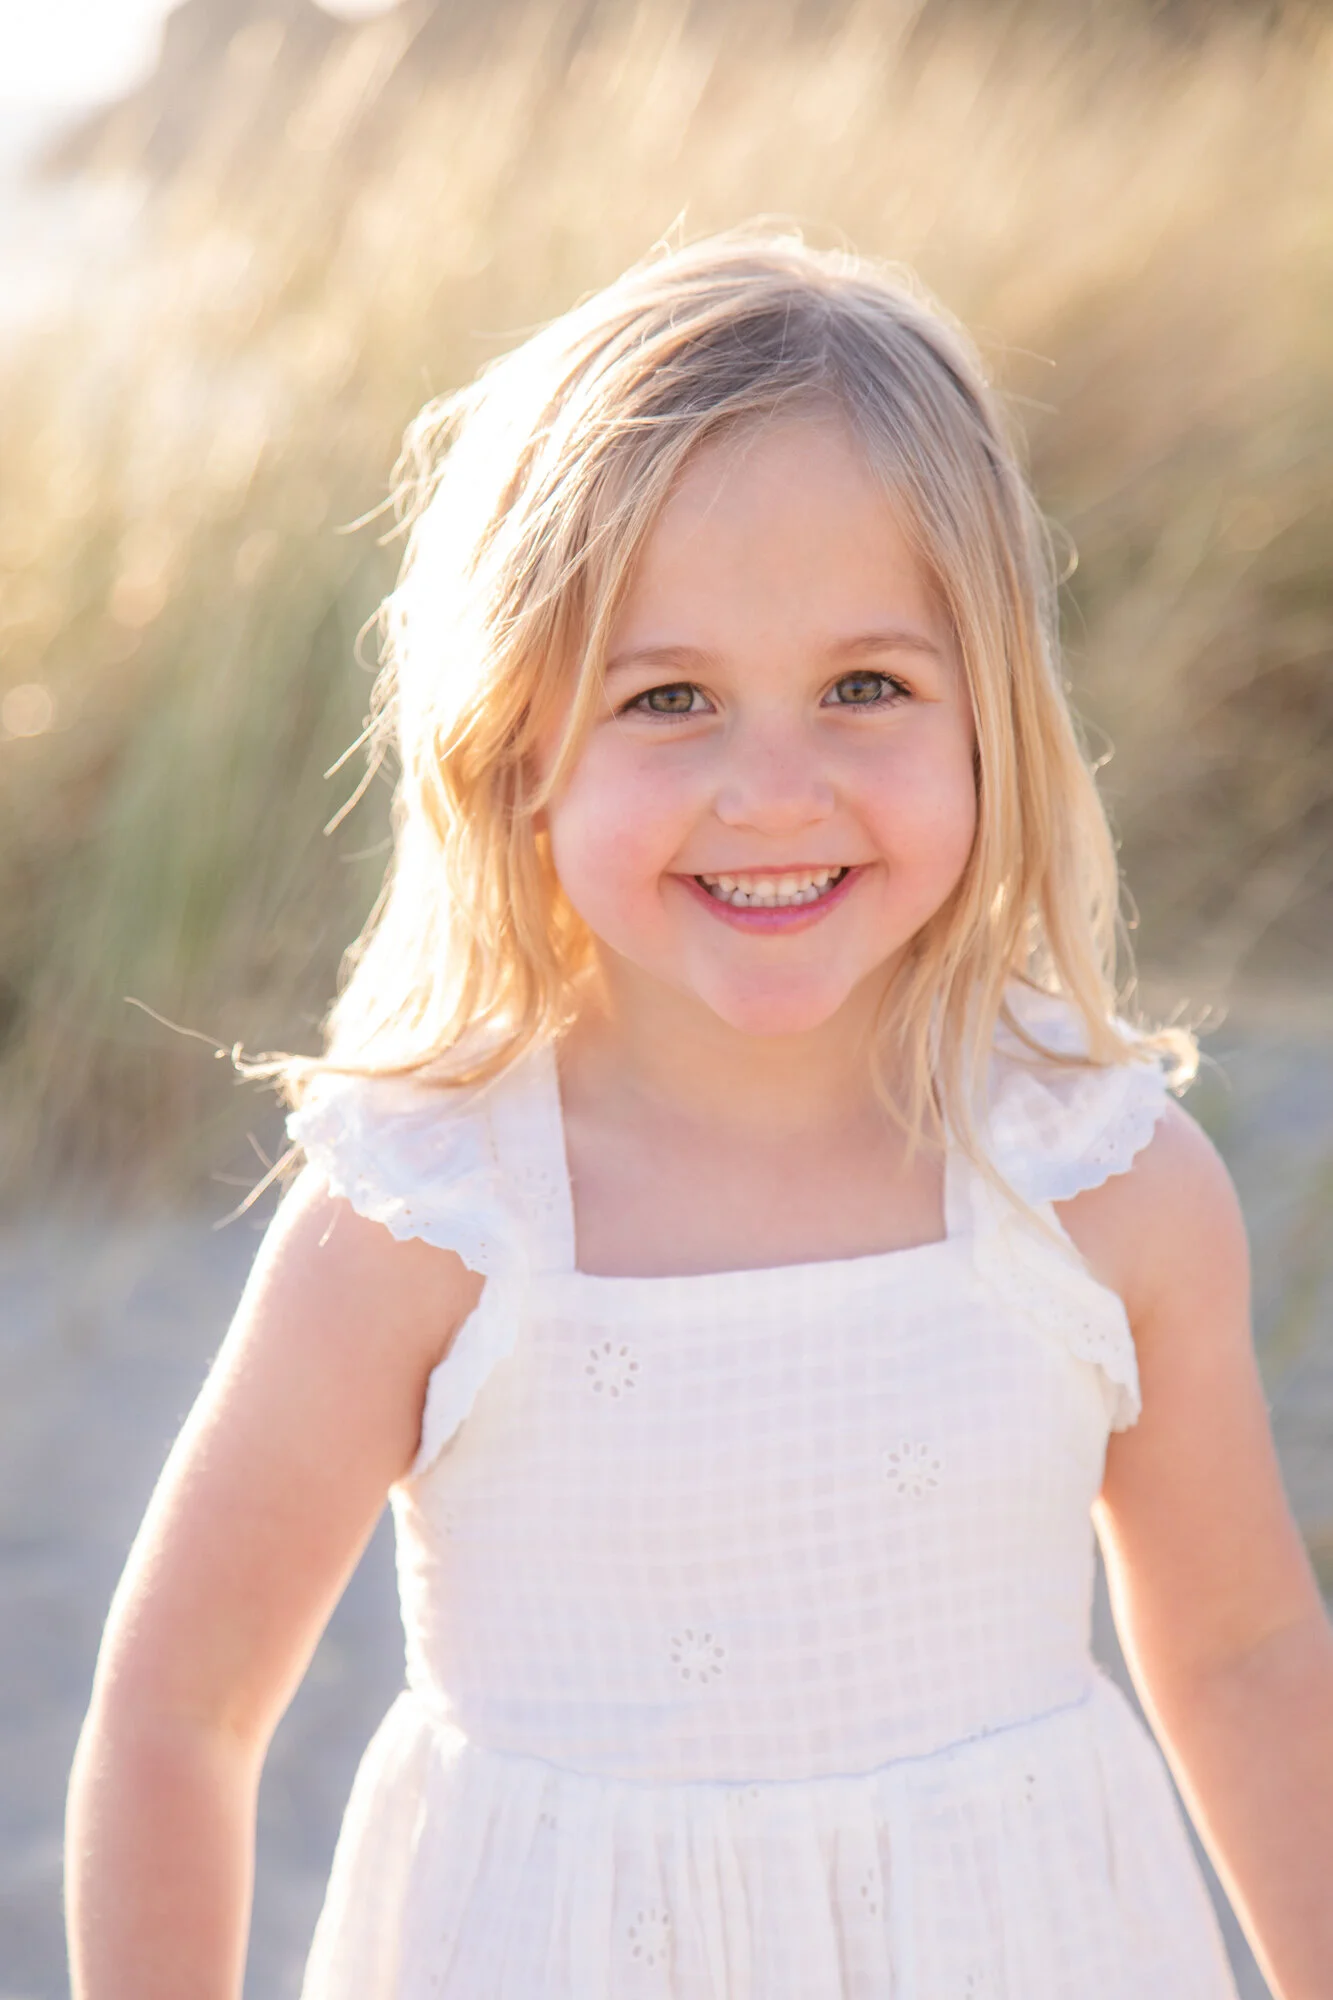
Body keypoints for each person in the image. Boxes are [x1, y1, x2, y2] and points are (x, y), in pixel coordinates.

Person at [66, 232, 1333, 2000]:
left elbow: (1252, 1650)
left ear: (996, 720)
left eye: (866, 688)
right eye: (668, 699)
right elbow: (178, 1716)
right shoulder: (432, 1214)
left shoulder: (1095, 1178)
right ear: (519, 747)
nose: (774, 790)